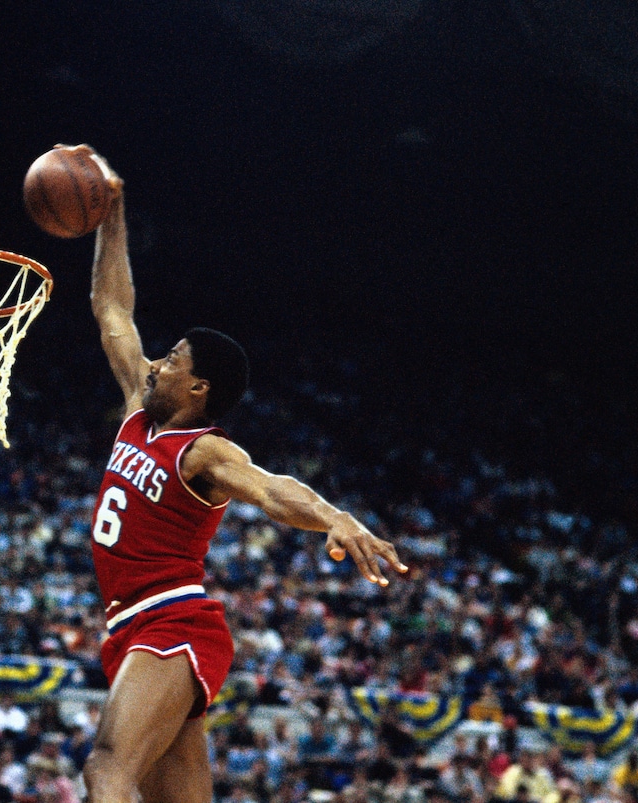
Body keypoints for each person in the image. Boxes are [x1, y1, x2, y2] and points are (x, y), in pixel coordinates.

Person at [76, 144, 408, 803]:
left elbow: (273, 488)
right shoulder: (139, 406)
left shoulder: (204, 450)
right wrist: (112, 217)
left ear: (197, 386)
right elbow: (112, 309)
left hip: (172, 622)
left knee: (106, 768)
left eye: (172, 358)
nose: (158, 362)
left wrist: (335, 518)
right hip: (133, 626)